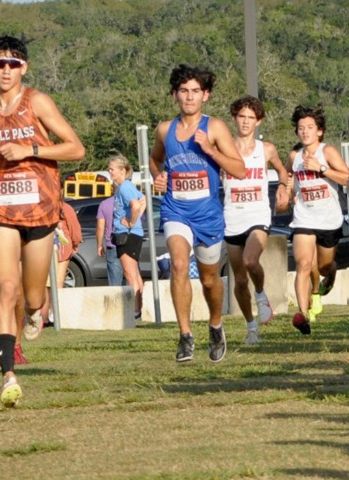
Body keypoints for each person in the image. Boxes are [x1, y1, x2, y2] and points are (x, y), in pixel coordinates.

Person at [0, 35, 85, 407]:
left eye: (13, 64)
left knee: (33, 297)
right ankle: (8, 376)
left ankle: (35, 314)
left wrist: (31, 149)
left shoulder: (37, 102)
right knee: (6, 287)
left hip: (40, 209)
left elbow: (76, 149)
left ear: (24, 68)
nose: (5, 70)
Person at [149, 64, 245, 363]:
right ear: (175, 94)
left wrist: (211, 151)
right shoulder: (165, 129)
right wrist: (158, 176)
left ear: (205, 95)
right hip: (176, 209)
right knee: (178, 264)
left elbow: (239, 169)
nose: (189, 97)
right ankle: (185, 335)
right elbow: (155, 160)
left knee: (209, 280)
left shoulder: (214, 128)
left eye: (195, 92)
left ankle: (215, 325)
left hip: (208, 214)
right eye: (183, 91)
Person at [223, 95, 289, 344]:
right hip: (232, 216)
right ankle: (251, 328)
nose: (246, 122)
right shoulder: (224, 147)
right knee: (239, 280)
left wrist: (283, 186)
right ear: (234, 118)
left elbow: (282, 170)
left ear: (258, 121)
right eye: (242, 117)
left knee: (251, 261)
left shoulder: (266, 149)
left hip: (258, 214)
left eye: (251, 118)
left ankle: (261, 295)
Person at [281, 105, 349, 334]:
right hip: (303, 218)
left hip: (329, 220)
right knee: (303, 264)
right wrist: (287, 191)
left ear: (319, 131)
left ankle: (329, 277)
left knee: (323, 266)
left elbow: (346, 178)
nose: (305, 132)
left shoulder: (327, 152)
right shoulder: (295, 155)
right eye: (301, 128)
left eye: (310, 127)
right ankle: (303, 315)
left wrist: (321, 169)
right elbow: (287, 176)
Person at [108, 155, 146, 320]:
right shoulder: (124, 187)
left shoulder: (125, 187)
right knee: (135, 273)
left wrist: (131, 222)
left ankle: (136, 311)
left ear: (123, 170)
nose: (110, 172)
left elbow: (136, 204)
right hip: (129, 233)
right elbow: (143, 199)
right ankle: (141, 309)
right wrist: (135, 220)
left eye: (112, 169)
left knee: (129, 273)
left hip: (127, 234)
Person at [40, 199, 83, 324]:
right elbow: (74, 227)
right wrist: (75, 243)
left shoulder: (43, 205)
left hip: (50, 246)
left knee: (47, 283)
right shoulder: (65, 207)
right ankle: (53, 314)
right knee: (57, 282)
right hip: (60, 247)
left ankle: (47, 315)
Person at [96, 191, 125, 286]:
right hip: (129, 244)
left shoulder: (104, 204)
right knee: (132, 278)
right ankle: (133, 300)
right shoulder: (130, 202)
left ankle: (116, 300)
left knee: (115, 282)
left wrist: (99, 245)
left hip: (112, 245)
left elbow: (100, 227)